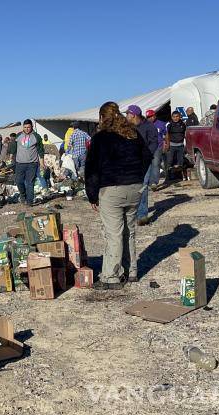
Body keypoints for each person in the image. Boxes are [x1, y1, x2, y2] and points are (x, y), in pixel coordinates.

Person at [85, 102, 152, 290]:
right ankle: (131, 271)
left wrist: (92, 195)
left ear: (102, 118)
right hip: (135, 188)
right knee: (129, 231)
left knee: (113, 234)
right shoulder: (133, 134)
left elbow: (91, 170)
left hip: (112, 189)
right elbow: (148, 157)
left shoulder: (100, 138)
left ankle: (111, 276)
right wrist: (137, 175)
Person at [125, 105, 159, 226]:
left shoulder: (149, 126)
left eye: (127, 114)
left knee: (143, 186)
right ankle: (131, 213)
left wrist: (146, 155)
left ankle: (142, 215)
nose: (126, 116)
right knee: (131, 187)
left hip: (144, 161)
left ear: (133, 115)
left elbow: (154, 142)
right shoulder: (127, 127)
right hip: (130, 161)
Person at [10, 119, 45, 206]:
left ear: (32, 127)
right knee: (18, 181)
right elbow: (14, 148)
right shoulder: (18, 136)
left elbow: (40, 150)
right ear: (23, 127)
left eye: (28, 127)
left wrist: (42, 163)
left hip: (32, 164)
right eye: (25, 127)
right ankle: (23, 195)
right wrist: (11, 156)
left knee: (30, 182)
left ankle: (29, 202)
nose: (26, 129)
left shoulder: (36, 136)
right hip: (20, 163)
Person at [164, 111, 188, 183]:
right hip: (172, 146)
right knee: (170, 161)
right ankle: (168, 177)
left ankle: (180, 177)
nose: (175, 118)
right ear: (172, 117)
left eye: (177, 116)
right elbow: (166, 135)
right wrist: (167, 145)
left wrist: (186, 144)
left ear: (179, 116)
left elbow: (185, 134)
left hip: (180, 145)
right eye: (174, 117)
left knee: (180, 162)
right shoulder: (169, 124)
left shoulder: (183, 124)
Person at [146, 109, 167, 189]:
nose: (149, 118)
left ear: (154, 116)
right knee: (148, 165)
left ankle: (154, 182)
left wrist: (166, 144)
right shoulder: (145, 124)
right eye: (148, 117)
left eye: (151, 116)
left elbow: (166, 134)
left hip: (158, 147)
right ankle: (147, 181)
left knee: (156, 164)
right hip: (147, 148)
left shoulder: (161, 124)